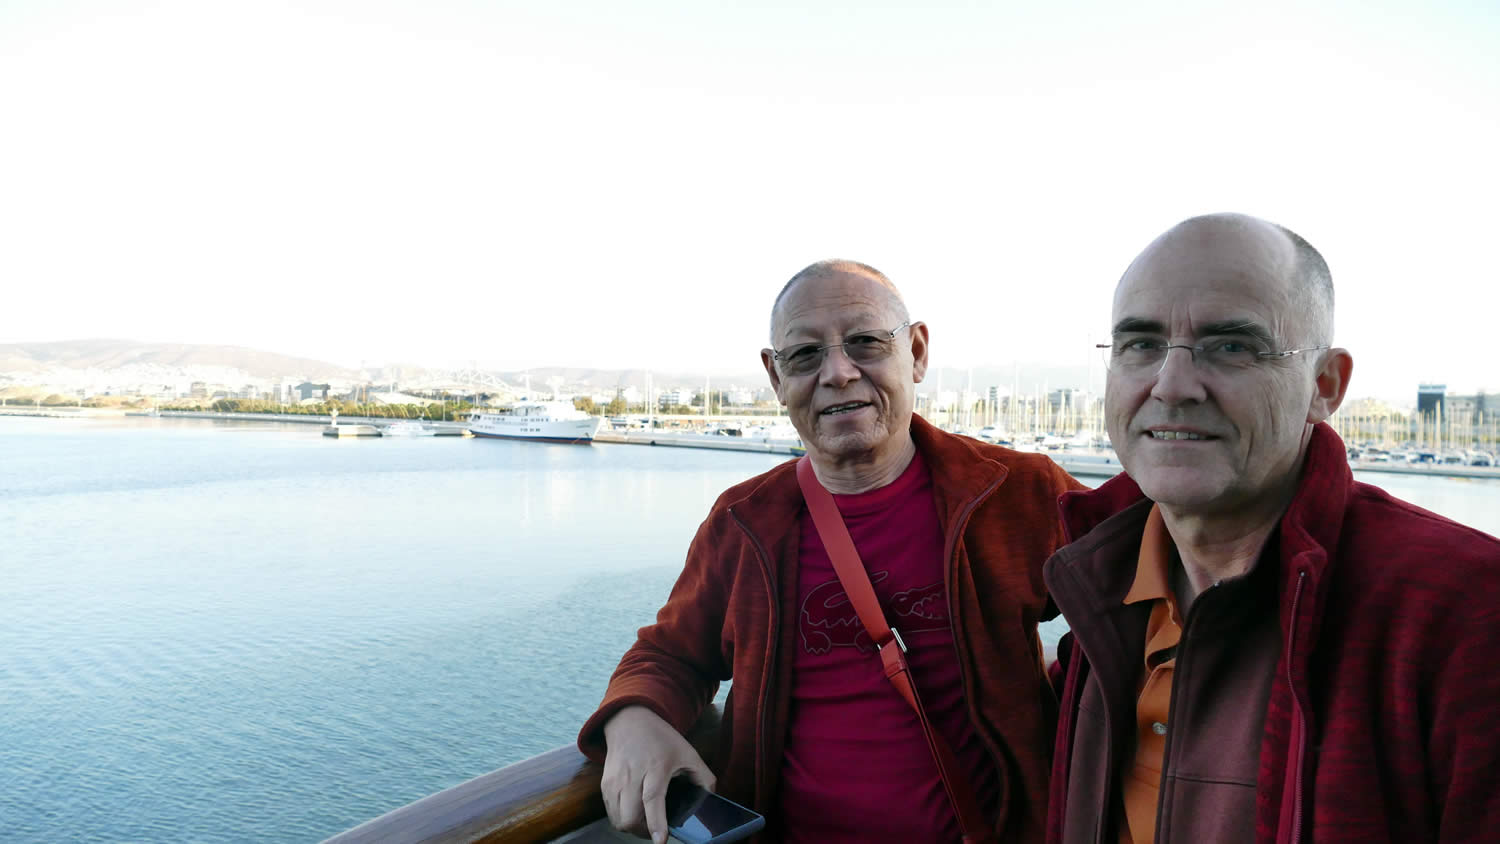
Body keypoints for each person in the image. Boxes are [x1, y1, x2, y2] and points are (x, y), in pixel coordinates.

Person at [578, 260, 1084, 843]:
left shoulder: (1016, 493)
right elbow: (670, 655)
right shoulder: (744, 523)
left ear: (917, 352)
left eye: (866, 342)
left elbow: (1142, 589)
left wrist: (1080, 700)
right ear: (776, 377)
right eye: (805, 355)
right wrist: (634, 717)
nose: (839, 373)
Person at [1044, 213, 1500, 843]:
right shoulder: (1099, 583)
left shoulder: (1465, 612)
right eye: (1141, 344)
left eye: (1232, 346)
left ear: (1325, 386)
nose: (1171, 386)